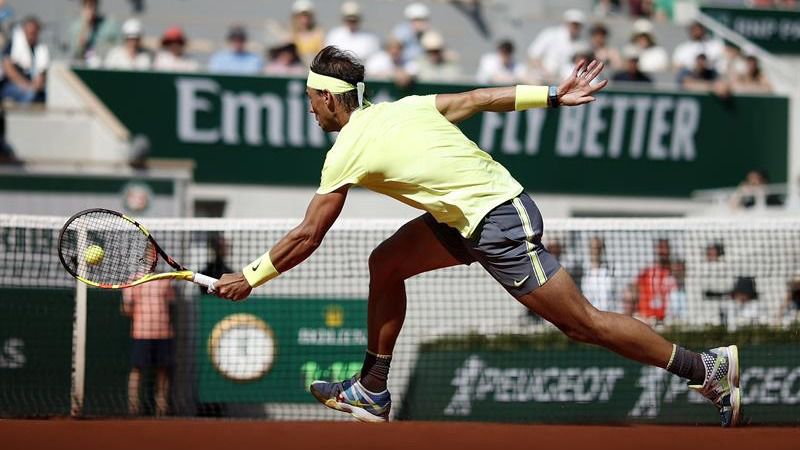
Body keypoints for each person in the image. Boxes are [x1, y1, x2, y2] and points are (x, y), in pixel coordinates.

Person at [213, 46, 742, 427]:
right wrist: (555, 95)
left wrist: (251, 276)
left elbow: (309, 234)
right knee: (386, 263)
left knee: (583, 325)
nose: (308, 109)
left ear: (331, 101)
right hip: (464, 221)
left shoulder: (346, 149)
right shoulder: (405, 107)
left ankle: (706, 369)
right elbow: (481, 97)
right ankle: (373, 389)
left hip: (498, 220)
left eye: (311, 99)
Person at [122, 279, 175, 416]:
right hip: (141, 333)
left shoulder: (165, 280)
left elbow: (170, 304)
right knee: (137, 369)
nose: (151, 257)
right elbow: (126, 308)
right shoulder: (133, 281)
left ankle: (161, 409)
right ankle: (133, 409)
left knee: (163, 371)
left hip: (164, 333)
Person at [527, 9, 585, 83]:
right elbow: (533, 55)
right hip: (542, 79)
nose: (575, 27)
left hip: (564, 81)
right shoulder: (550, 34)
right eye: (573, 24)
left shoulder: (581, 43)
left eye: (577, 25)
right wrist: (545, 72)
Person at [1, 16, 49, 103]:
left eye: (34, 33)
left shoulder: (40, 49)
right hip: (12, 86)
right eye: (29, 33)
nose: (31, 36)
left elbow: (42, 71)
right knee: (29, 95)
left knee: (45, 95)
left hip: (32, 86)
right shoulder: (13, 45)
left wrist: (37, 84)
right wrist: (25, 85)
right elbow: (8, 68)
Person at [68, 0, 120, 67]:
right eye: (87, 5)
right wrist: (86, 24)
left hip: (106, 64)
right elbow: (77, 51)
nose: (90, 9)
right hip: (84, 65)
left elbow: (118, 46)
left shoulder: (109, 24)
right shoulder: (76, 27)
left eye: (92, 5)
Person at [635, 238, 674, 323]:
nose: (663, 251)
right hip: (647, 318)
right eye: (661, 248)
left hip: (667, 319)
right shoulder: (646, 273)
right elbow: (635, 289)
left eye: (665, 248)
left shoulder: (674, 273)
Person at [581, 237, 616, 313]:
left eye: (598, 248)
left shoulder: (609, 272)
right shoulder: (584, 273)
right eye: (593, 248)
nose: (596, 251)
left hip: (610, 315)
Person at [290, 0, 325, 65]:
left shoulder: (318, 34)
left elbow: (322, 55)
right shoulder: (290, 35)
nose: (304, 20)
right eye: (301, 17)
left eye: (307, 16)